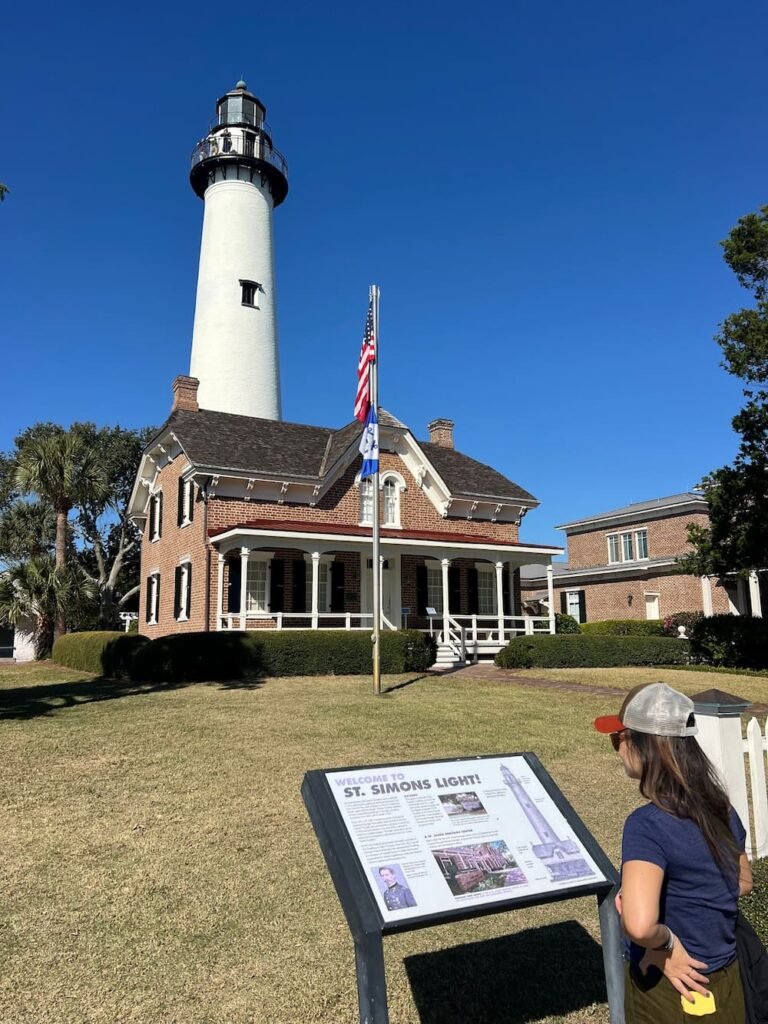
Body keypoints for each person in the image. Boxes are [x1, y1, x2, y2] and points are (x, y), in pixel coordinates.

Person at [594, 682, 753, 1022]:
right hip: (726, 981)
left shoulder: (647, 825)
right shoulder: (720, 808)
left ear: (641, 744)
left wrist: (666, 944)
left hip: (669, 990)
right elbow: (743, 882)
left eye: (617, 738)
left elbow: (639, 925)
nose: (616, 748)